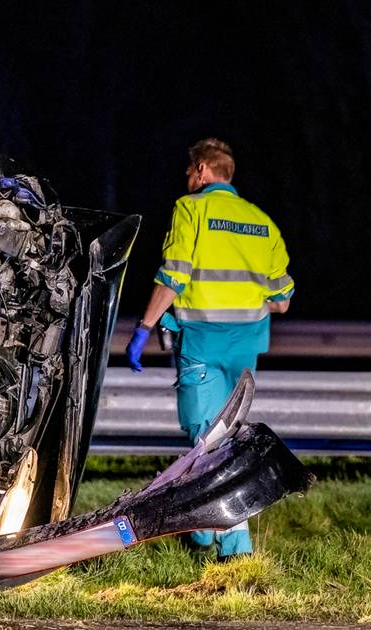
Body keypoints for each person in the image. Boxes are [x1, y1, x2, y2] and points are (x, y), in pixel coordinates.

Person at [125, 138, 294, 561]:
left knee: (206, 441)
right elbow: (282, 299)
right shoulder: (262, 221)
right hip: (246, 348)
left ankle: (234, 546)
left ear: (202, 169)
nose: (187, 179)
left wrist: (144, 327)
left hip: (201, 341)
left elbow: (173, 277)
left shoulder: (191, 209)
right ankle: (199, 533)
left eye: (189, 171)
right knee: (226, 440)